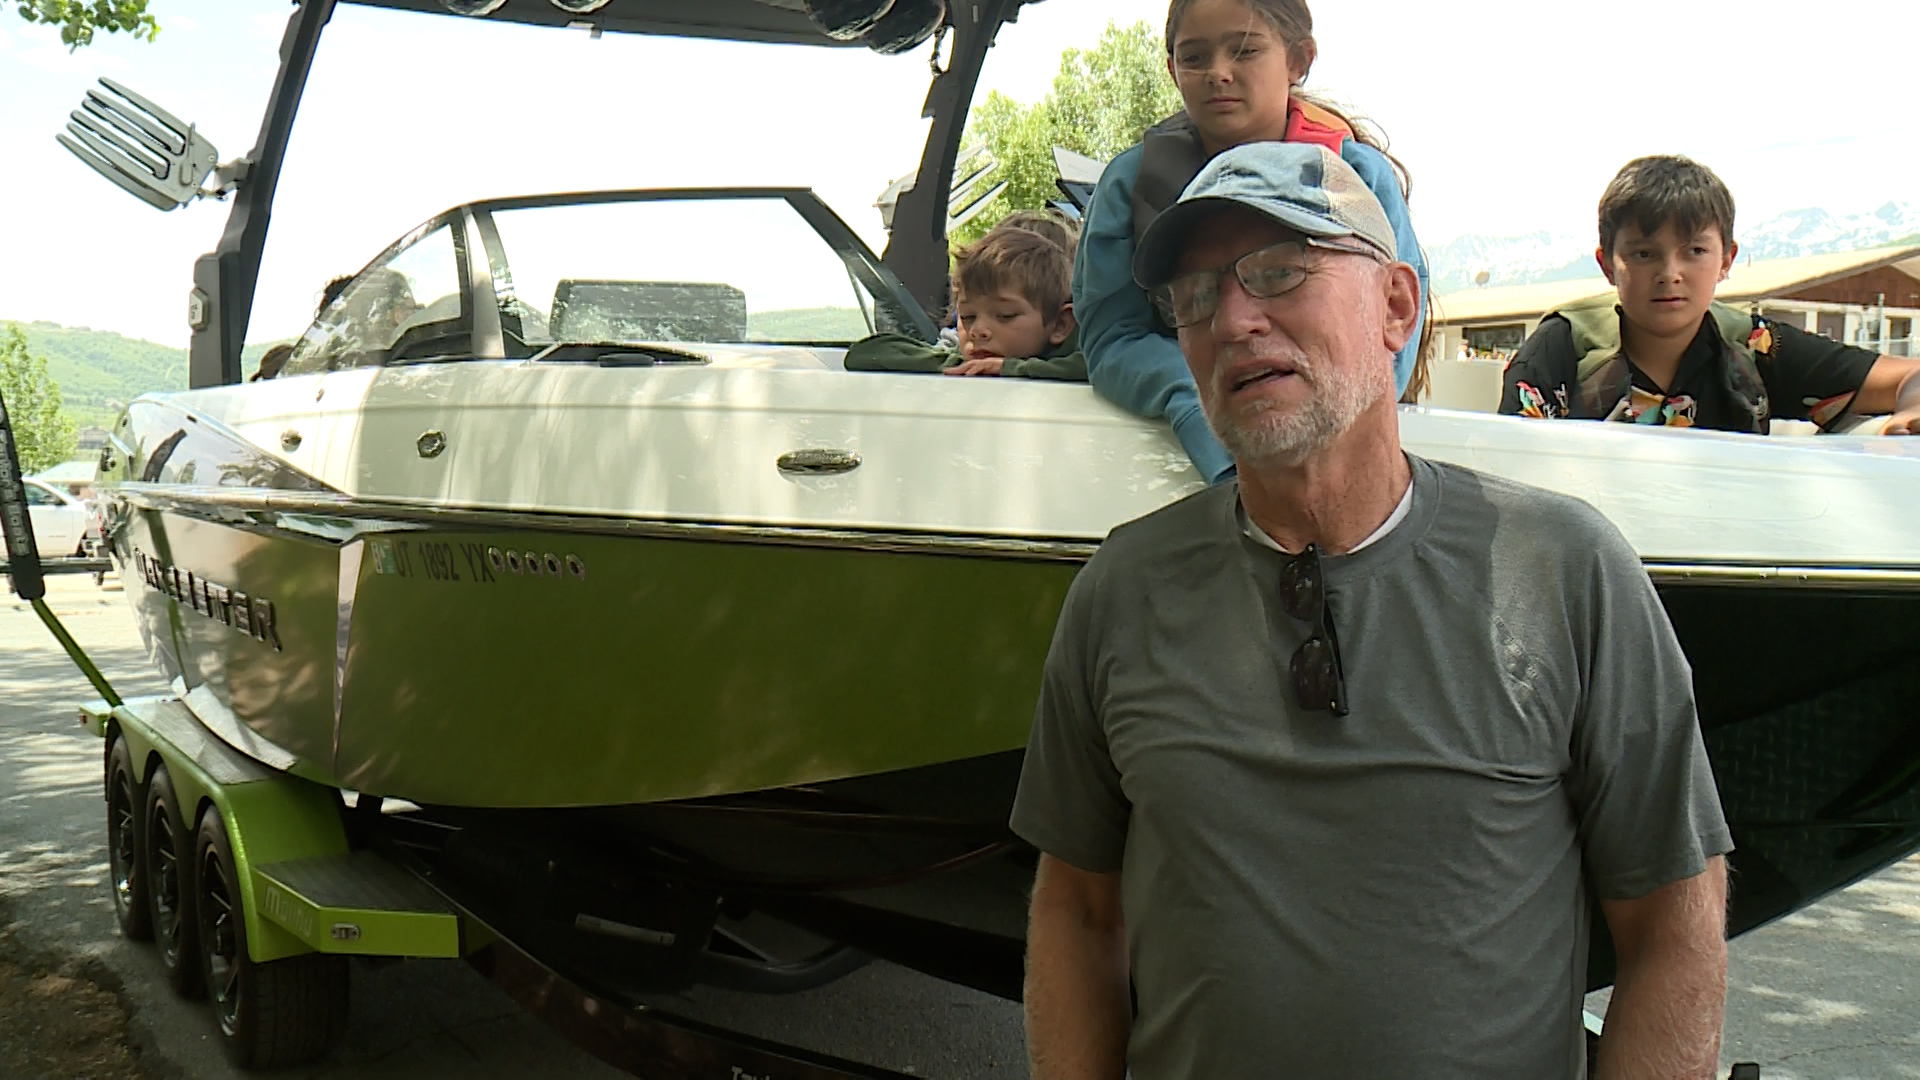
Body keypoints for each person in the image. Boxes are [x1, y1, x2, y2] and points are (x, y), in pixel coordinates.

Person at [1014, 141, 1732, 1078]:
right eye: (1193, 296)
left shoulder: (1563, 572)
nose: (1232, 319)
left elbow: (1675, 919)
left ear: (1396, 305)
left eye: (1278, 272)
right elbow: (1075, 909)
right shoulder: (1124, 589)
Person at [1074, 0, 1430, 482]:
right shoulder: (1132, 183)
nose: (1218, 73)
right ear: (1172, 70)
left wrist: (1317, 437)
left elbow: (1388, 343)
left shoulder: (1359, 177)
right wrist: (1200, 408)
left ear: (1298, 60)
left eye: (1244, 51)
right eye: (1194, 58)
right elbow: (1111, 337)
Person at [1500, 155, 1920, 434]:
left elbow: (1909, 376)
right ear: (1607, 263)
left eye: (1694, 251)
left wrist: (1908, 416)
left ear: (1726, 259)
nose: (1670, 274)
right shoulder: (1564, 345)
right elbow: (1515, 468)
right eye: (1644, 254)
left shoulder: (1755, 348)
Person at [845, 222, 1086, 380]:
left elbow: (1098, 366)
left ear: (1060, 325)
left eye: (1005, 316)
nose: (978, 331)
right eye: (968, 317)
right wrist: (957, 365)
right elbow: (866, 352)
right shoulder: (963, 358)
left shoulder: (1085, 356)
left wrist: (1011, 368)